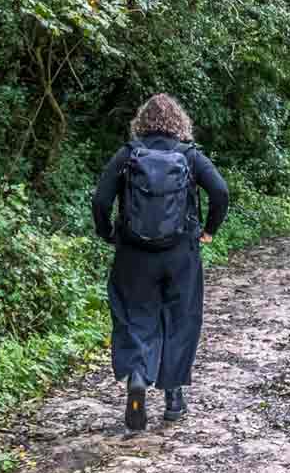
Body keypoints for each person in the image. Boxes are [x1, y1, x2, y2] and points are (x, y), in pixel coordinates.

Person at [91, 94, 229, 431]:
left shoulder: (128, 155)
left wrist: (108, 232)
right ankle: (174, 399)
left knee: (135, 317)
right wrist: (208, 230)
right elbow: (221, 193)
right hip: (181, 253)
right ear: (179, 123)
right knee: (181, 319)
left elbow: (100, 199)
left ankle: (138, 378)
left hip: (133, 255)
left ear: (142, 122)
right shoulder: (189, 156)